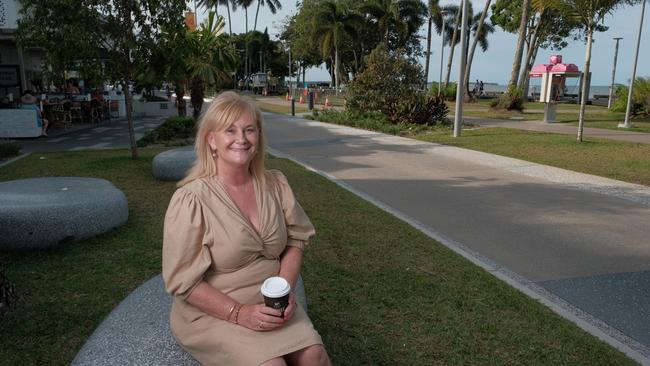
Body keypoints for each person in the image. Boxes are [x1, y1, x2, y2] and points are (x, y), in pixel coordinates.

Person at [162, 91, 331, 366]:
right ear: (211, 140)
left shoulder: (275, 184)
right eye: (230, 130)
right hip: (215, 310)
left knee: (313, 355)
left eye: (249, 129)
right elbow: (183, 281)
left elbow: (297, 238)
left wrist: (285, 290)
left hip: (271, 301)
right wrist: (239, 313)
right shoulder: (192, 199)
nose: (241, 139)